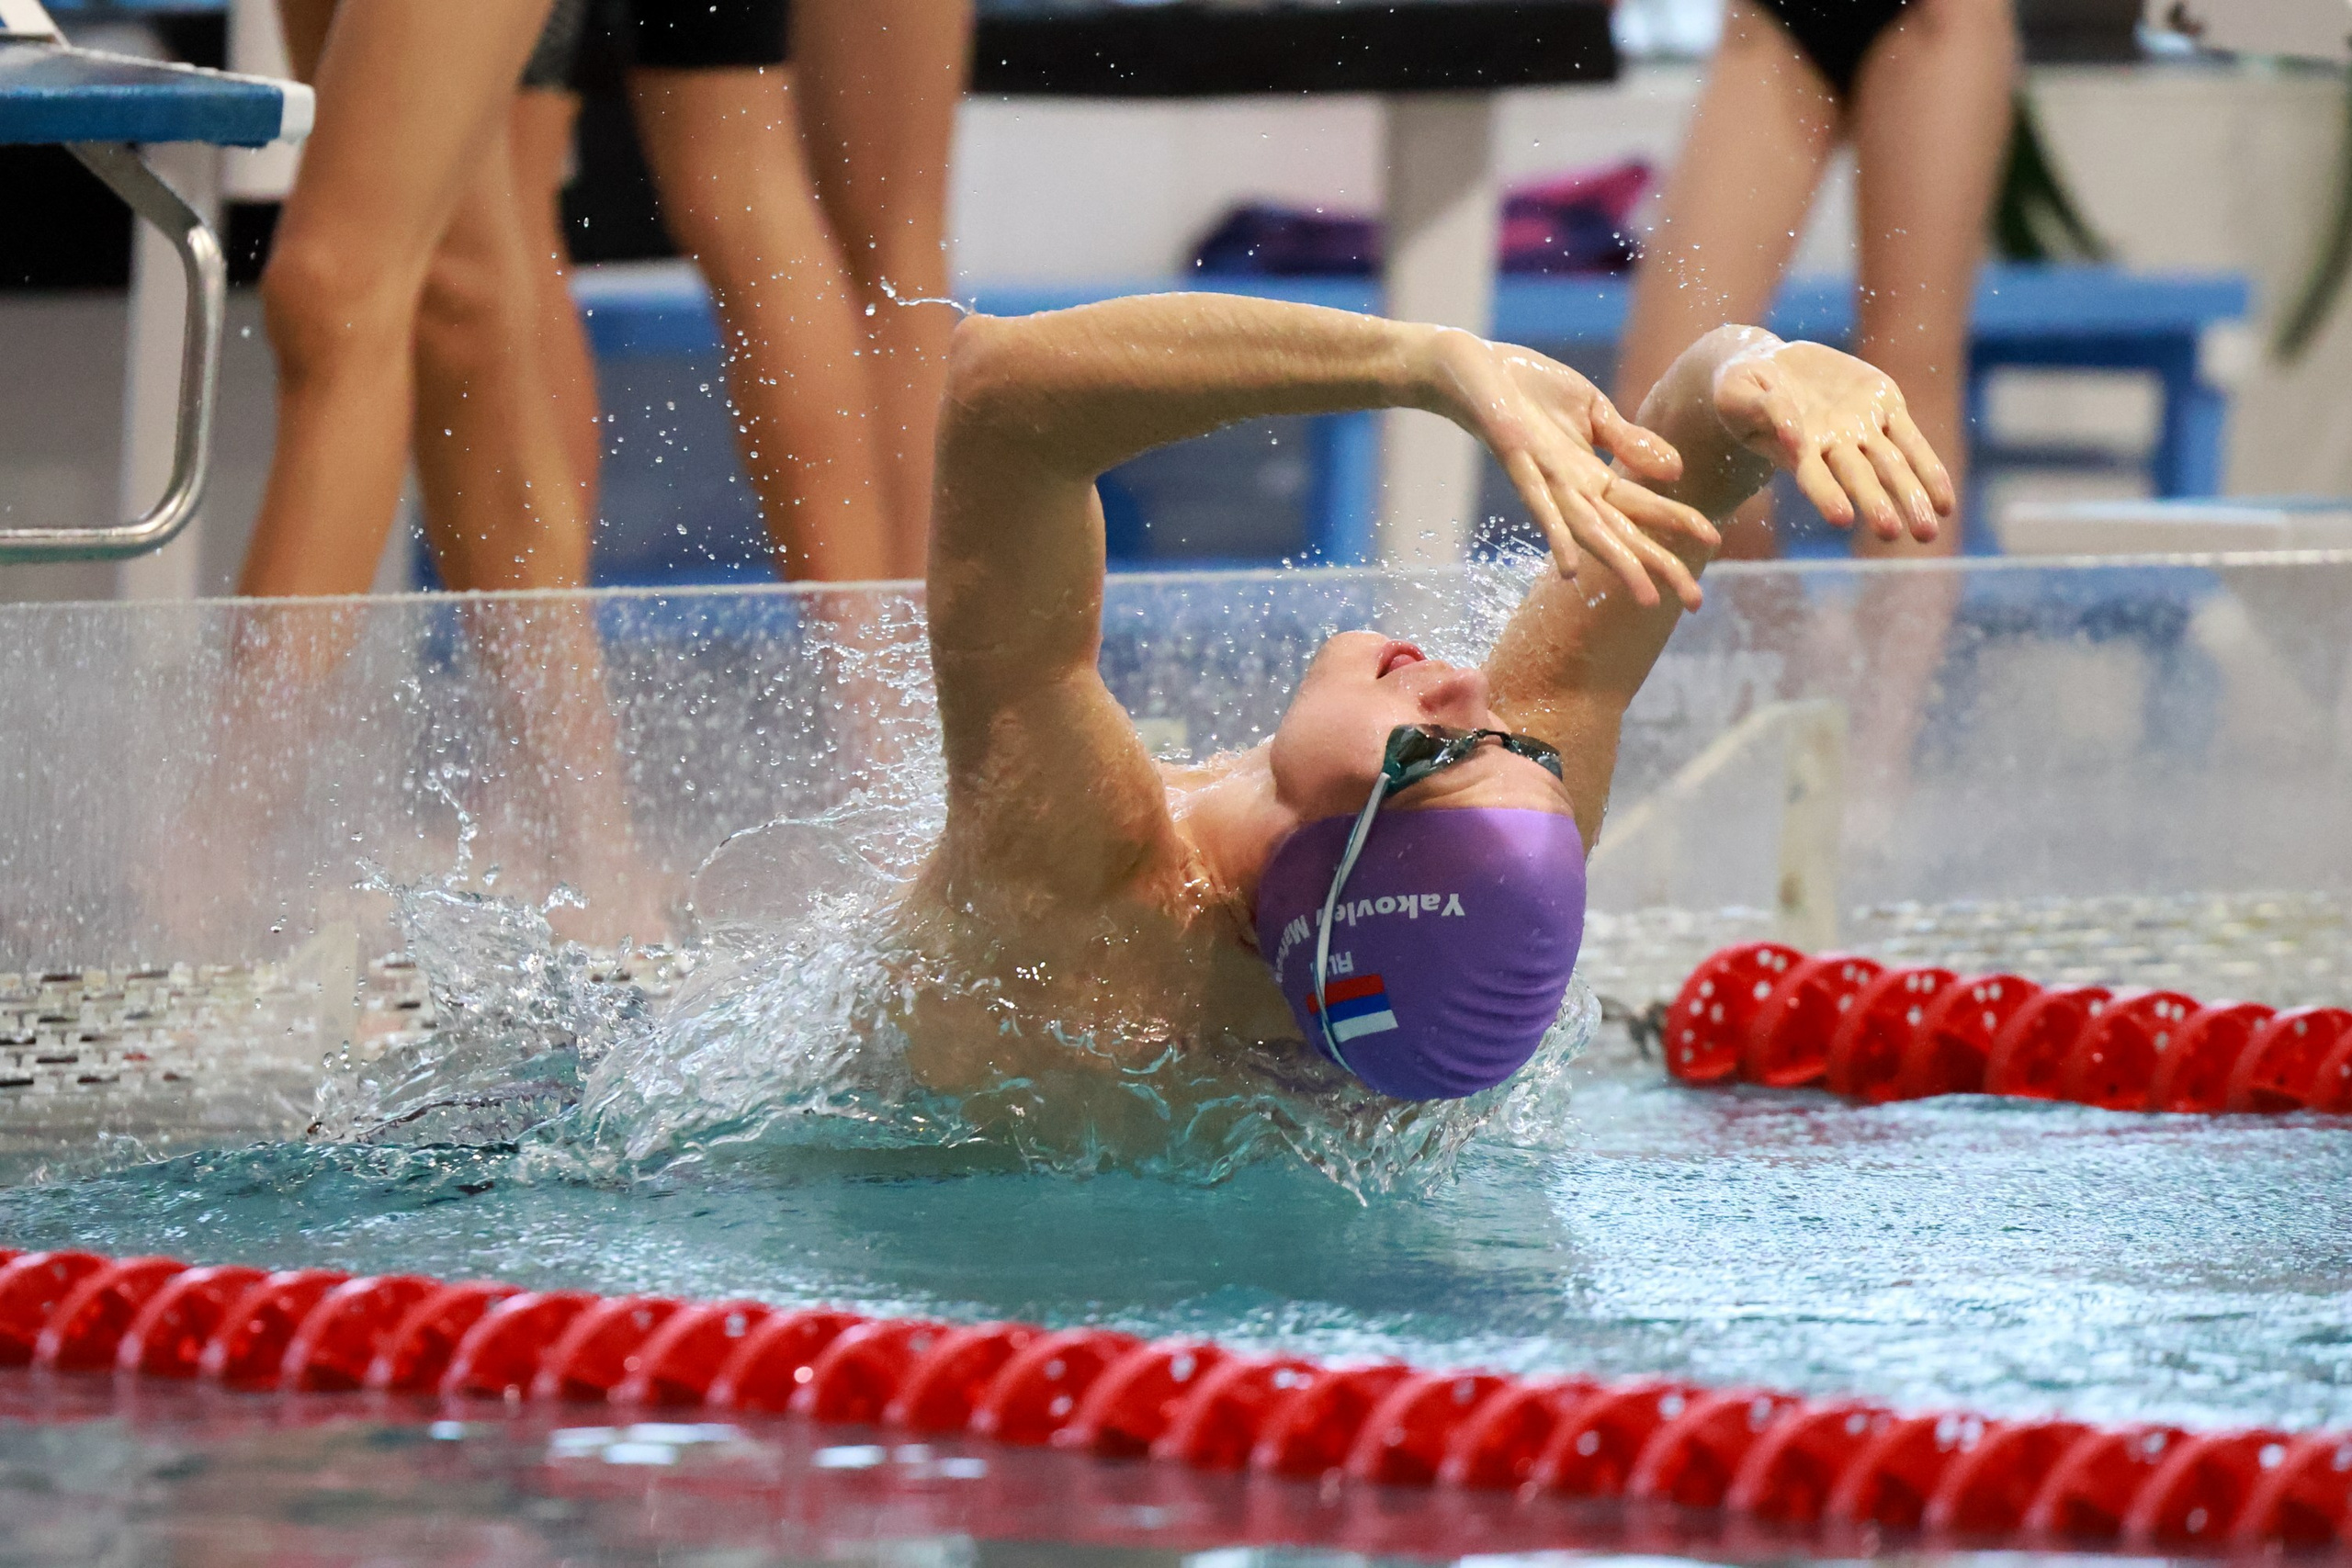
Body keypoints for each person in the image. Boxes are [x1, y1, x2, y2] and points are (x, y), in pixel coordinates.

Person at [892, 293, 1951, 1106]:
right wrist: (1761, 374)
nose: (1465, 684)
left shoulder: (1091, 908)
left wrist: (1425, 364)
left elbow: (999, 394)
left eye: (1428, 755)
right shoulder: (1502, 833)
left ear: (1324, 881)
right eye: (1498, 738)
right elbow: (1685, 458)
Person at [1611, 0, 2017, 832]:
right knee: (1662, 398)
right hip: (1773, 19)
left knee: (1910, 365)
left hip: (1940, 17)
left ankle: (1874, 765)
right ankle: (1794, 687)